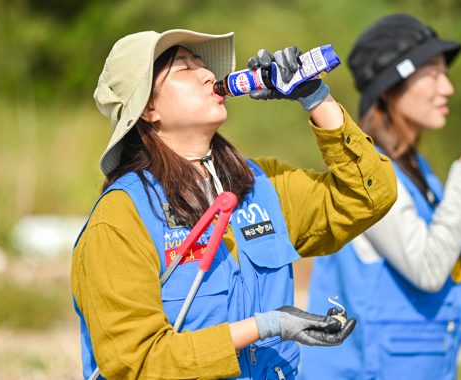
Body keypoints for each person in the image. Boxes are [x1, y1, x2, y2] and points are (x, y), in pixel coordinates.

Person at [71, 29, 397, 380]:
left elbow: (370, 196)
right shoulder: (121, 217)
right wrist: (266, 326)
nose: (208, 75)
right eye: (184, 69)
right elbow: (138, 362)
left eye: (202, 64)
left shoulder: (262, 186)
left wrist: (315, 96)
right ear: (148, 108)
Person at [300, 14, 461, 380]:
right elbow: (427, 269)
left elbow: (432, 243)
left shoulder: (420, 170)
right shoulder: (368, 175)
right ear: (390, 86)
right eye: (431, 74)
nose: (447, 87)